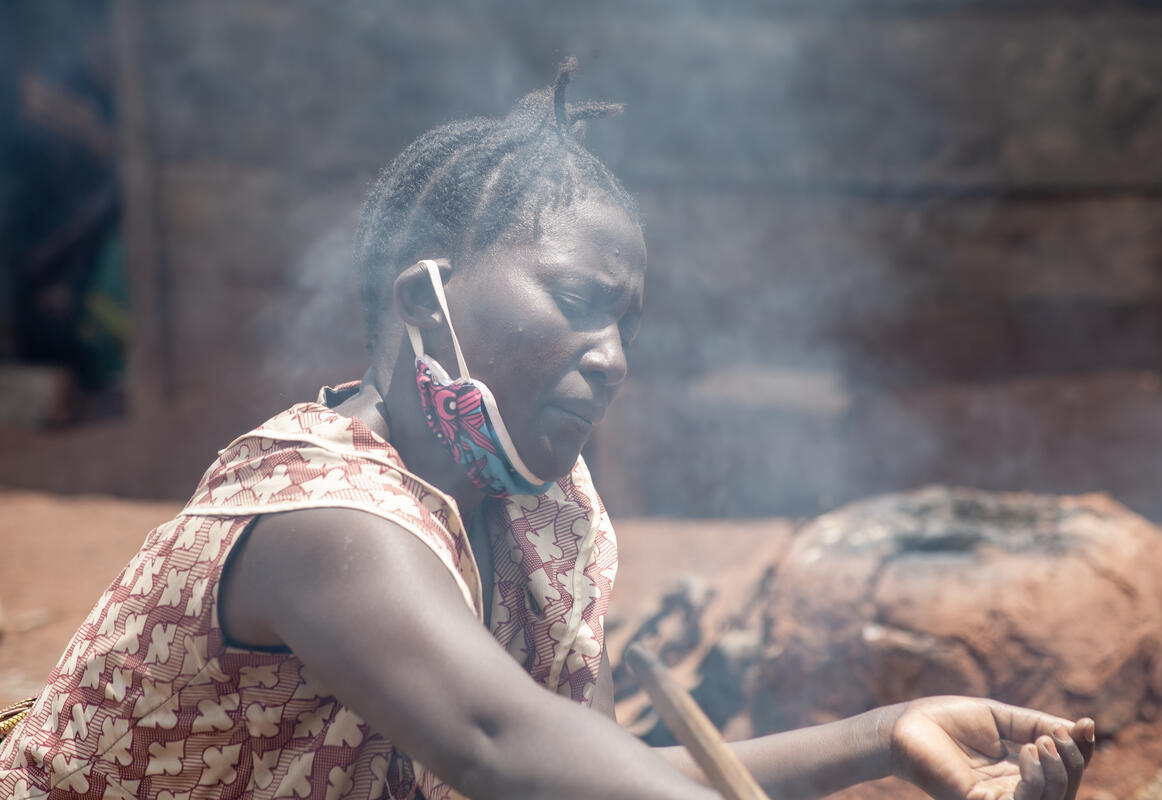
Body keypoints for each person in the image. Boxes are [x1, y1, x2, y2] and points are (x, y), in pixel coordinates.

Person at [0, 60, 1094, 800]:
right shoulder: (324, 517)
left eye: (626, 320)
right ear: (421, 293)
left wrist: (884, 733)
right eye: (575, 300)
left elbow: (592, 764)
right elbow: (502, 746)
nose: (612, 354)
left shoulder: (541, 507)